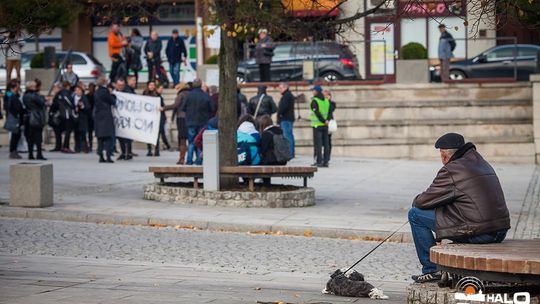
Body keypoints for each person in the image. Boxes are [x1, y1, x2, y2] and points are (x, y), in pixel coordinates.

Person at [409, 133, 510, 283]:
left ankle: (432, 270)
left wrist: (417, 200)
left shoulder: (452, 169)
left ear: (444, 155)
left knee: (415, 215)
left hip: (482, 233)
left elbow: (422, 202)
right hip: (499, 229)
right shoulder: (480, 161)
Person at [181, 78, 213, 165]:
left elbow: (183, 108)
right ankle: (199, 161)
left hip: (190, 121)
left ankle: (189, 160)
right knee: (200, 141)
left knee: (191, 142)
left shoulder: (188, 95)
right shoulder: (206, 95)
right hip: (202, 121)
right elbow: (212, 108)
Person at [162, 82, 190, 164]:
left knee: (182, 139)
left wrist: (164, 108)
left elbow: (175, 105)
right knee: (189, 139)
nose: (176, 90)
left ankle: (181, 158)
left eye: (177, 88)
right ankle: (190, 158)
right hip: (189, 117)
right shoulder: (189, 93)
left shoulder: (181, 94)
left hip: (181, 118)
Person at [23, 81, 47, 160]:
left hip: (28, 117)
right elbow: (41, 102)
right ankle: (39, 154)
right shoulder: (34, 95)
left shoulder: (25, 95)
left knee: (30, 137)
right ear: (31, 87)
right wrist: (43, 98)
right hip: (36, 117)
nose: (35, 87)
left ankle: (30, 154)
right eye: (34, 86)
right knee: (38, 137)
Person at [93, 77, 116, 163]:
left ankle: (101, 156)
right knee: (108, 137)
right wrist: (112, 95)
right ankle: (108, 156)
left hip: (98, 116)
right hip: (106, 116)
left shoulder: (97, 92)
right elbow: (112, 101)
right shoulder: (105, 91)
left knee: (100, 138)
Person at [310, 85, 330, 167]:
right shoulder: (326, 100)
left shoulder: (314, 101)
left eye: (313, 90)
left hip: (317, 125)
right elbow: (329, 112)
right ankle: (325, 161)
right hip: (325, 125)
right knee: (326, 144)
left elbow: (317, 113)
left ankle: (319, 161)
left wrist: (323, 120)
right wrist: (327, 121)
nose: (312, 92)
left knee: (318, 144)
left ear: (316, 92)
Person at [4, 81, 23, 159]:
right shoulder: (9, 95)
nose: (17, 89)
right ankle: (13, 151)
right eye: (16, 87)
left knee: (16, 135)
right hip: (14, 116)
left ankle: (14, 150)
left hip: (15, 116)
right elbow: (12, 106)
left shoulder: (14, 95)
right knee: (15, 134)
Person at [277, 82, 295, 159]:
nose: (279, 90)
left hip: (286, 118)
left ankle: (289, 153)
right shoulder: (288, 95)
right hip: (288, 118)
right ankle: (291, 153)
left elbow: (283, 107)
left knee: (287, 136)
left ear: (285, 87)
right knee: (289, 136)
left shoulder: (286, 96)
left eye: (280, 88)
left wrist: (280, 114)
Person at [59, 81, 77, 154]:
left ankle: (65, 146)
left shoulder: (61, 93)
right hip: (67, 114)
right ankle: (66, 147)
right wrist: (73, 106)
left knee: (67, 131)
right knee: (68, 131)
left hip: (64, 113)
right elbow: (69, 101)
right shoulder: (65, 92)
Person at [73, 86, 90, 153]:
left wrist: (82, 106)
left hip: (82, 118)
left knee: (83, 133)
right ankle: (77, 148)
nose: (77, 92)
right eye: (76, 90)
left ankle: (85, 147)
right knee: (76, 133)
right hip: (75, 118)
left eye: (79, 90)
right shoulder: (73, 98)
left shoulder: (84, 98)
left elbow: (88, 107)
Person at [324, 89, 336, 161]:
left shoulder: (332, 103)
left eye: (327, 95)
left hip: (329, 122)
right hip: (322, 122)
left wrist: (328, 101)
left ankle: (327, 156)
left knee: (328, 140)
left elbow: (331, 109)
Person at [86, 83, 96, 152]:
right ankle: (90, 145)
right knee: (90, 132)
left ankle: (90, 145)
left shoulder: (95, 95)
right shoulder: (88, 96)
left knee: (91, 132)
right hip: (90, 116)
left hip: (92, 115)